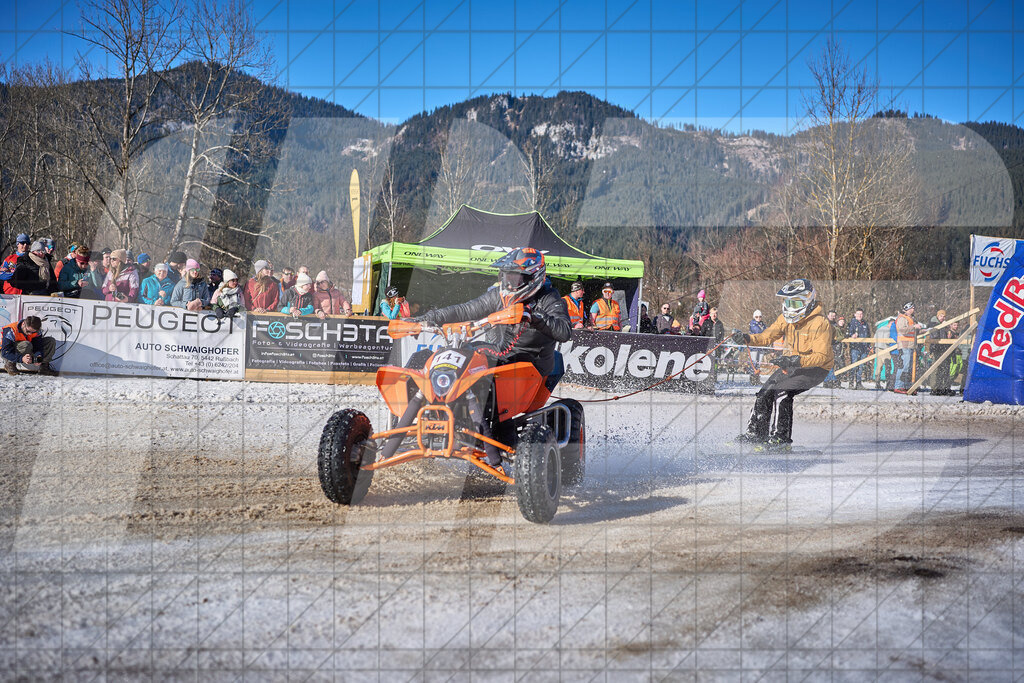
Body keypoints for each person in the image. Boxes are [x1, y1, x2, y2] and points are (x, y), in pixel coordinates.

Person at [414, 247, 571, 469]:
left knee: (496, 376)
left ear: (532, 278)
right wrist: (426, 318)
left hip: (530, 362)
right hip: (500, 353)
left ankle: (500, 438)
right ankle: (435, 416)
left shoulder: (549, 298)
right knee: (439, 357)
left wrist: (535, 317)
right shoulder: (498, 296)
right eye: (506, 276)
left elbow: (564, 331)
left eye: (515, 278)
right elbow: (465, 310)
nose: (509, 283)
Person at [731, 278, 833, 449]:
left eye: (795, 303)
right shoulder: (785, 319)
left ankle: (781, 438)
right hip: (792, 364)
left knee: (782, 392)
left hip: (816, 369)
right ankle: (756, 434)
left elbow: (821, 356)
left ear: (807, 301)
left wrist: (796, 360)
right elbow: (767, 336)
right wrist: (747, 338)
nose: (790, 307)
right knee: (765, 392)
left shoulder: (820, 323)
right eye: (787, 302)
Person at [894, 302, 924, 394]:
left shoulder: (912, 319)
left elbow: (912, 331)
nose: (913, 310)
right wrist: (914, 326)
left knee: (909, 367)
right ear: (907, 309)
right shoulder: (902, 318)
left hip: (911, 345)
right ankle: (899, 386)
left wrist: (921, 330)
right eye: (912, 308)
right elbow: (902, 330)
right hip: (904, 345)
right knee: (904, 366)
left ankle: (906, 386)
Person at [846, 308, 871, 389]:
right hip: (855, 348)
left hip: (864, 348)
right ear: (855, 314)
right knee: (854, 365)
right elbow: (848, 333)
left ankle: (858, 382)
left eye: (861, 314)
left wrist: (869, 346)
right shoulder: (852, 323)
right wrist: (852, 335)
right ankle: (851, 382)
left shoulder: (865, 323)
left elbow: (868, 335)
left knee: (861, 366)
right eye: (858, 314)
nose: (860, 315)